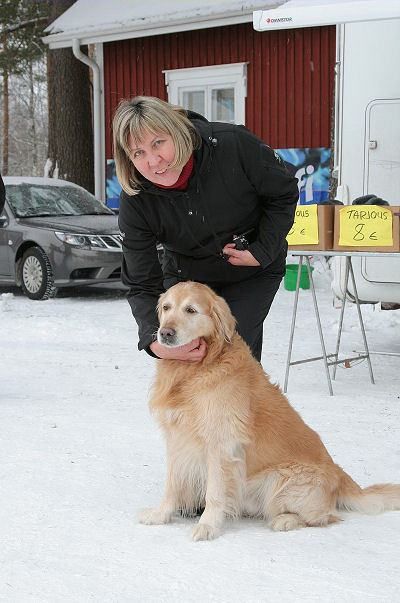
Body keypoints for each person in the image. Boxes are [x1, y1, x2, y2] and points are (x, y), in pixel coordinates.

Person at [113, 96, 298, 363]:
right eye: (138, 153)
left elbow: (283, 192)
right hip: (186, 274)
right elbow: (141, 282)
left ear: (175, 131)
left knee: (229, 350)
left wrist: (263, 249)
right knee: (185, 351)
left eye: (158, 143)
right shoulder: (136, 198)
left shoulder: (232, 144)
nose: (154, 162)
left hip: (250, 269)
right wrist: (154, 341)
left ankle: (238, 404)